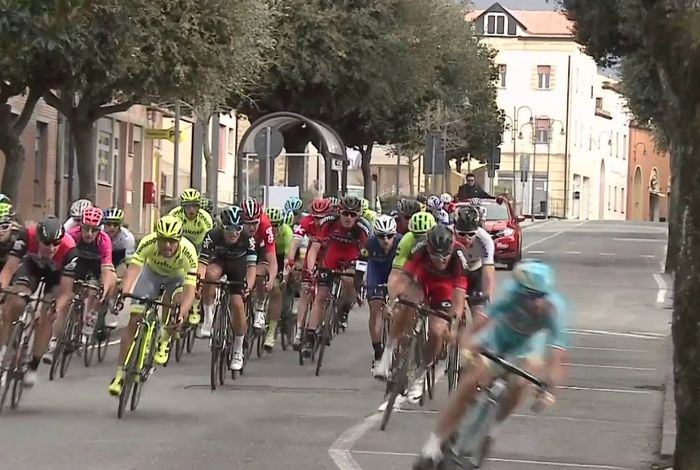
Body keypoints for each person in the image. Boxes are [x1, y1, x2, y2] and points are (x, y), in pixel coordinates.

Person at [413, 260, 568, 470]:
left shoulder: (554, 310)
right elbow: (481, 321)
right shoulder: (511, 297)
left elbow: (557, 354)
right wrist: (467, 344)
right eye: (533, 296)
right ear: (522, 293)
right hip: (497, 341)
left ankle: (494, 428)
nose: (538, 303)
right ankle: (432, 446)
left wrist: (548, 389)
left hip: (526, 348)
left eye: (542, 296)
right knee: (470, 383)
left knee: (521, 381)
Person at [377, 225, 469, 404]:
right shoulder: (419, 248)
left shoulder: (459, 255)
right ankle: (387, 354)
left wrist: (453, 324)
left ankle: (420, 375)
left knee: (437, 331)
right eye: (435, 255)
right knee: (406, 305)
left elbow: (458, 298)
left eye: (445, 255)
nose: (441, 260)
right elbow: (404, 279)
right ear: (429, 248)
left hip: (445, 288)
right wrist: (393, 301)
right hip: (423, 280)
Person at [108, 215, 198, 396]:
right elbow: (133, 271)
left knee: (178, 305)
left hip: (177, 278)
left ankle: (165, 339)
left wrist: (182, 312)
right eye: (163, 240)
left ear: (179, 240)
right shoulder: (148, 243)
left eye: (172, 242)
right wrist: (123, 294)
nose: (166, 246)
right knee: (134, 319)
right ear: (157, 238)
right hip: (152, 275)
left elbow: (190, 289)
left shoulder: (189, 252)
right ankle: (120, 374)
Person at [0, 216, 77, 387]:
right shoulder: (27, 235)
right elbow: (8, 270)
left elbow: (66, 292)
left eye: (56, 243)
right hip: (31, 267)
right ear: (38, 239)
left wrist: (57, 308)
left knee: (49, 313)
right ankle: (4, 350)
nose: (51, 248)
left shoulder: (69, 249)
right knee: (16, 300)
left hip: (56, 275)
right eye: (47, 243)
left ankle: (33, 364)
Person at [303, 196, 370, 355]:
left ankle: (345, 308)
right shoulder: (329, 222)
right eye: (345, 213)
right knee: (321, 296)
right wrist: (311, 270)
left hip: (352, 258)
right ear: (339, 212)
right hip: (332, 256)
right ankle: (310, 336)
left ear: (358, 216)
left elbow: (366, 257)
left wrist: (360, 281)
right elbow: (314, 249)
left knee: (349, 282)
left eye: (353, 215)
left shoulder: (363, 229)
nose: (348, 218)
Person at [198, 206, 257, 370]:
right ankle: (209, 319)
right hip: (220, 262)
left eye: (238, 228)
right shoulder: (212, 235)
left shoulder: (248, 239)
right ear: (222, 226)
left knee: (238, 304)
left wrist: (249, 285)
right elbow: (202, 264)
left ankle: (238, 349)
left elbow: (252, 266)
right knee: (210, 275)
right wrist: (198, 282)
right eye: (229, 228)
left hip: (238, 266)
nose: (234, 232)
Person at [356, 214, 402, 377]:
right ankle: (377, 352)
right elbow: (360, 267)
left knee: (400, 310)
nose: (386, 240)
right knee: (375, 310)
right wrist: (357, 286)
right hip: (377, 271)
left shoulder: (401, 242)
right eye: (381, 236)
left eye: (390, 236)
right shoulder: (370, 243)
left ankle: (399, 348)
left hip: (395, 271)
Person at [286, 197, 332, 349]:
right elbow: (295, 242)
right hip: (312, 255)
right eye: (316, 217)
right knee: (305, 291)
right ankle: (299, 331)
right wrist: (291, 261)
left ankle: (323, 322)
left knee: (324, 294)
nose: (318, 222)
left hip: (330, 256)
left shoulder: (332, 223)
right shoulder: (307, 221)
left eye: (322, 218)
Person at [452, 206, 496, 316]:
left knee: (479, 313)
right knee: (452, 313)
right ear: (454, 230)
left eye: (471, 234)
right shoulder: (448, 234)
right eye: (461, 234)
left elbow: (488, 269)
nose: (466, 239)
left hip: (475, 273)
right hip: (454, 272)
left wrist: (487, 297)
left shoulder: (485, 239)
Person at [241, 197, 277, 330]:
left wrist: (271, 279)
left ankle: (260, 307)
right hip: (244, 248)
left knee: (259, 274)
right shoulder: (236, 224)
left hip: (260, 250)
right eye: (248, 223)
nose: (251, 227)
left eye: (254, 223)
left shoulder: (266, 227)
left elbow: (272, 259)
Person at [262, 206, 294, 351]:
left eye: (276, 226)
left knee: (277, 289)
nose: (272, 229)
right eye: (270, 224)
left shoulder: (286, 232)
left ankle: (271, 332)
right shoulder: (262, 231)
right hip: (265, 255)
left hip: (281, 258)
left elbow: (288, 259)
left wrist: (284, 277)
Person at [102, 208, 136, 328]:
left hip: (120, 257)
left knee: (117, 279)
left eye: (115, 224)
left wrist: (124, 283)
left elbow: (129, 264)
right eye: (108, 224)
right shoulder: (99, 233)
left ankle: (113, 306)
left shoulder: (127, 238)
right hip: (104, 255)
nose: (111, 227)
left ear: (120, 226)